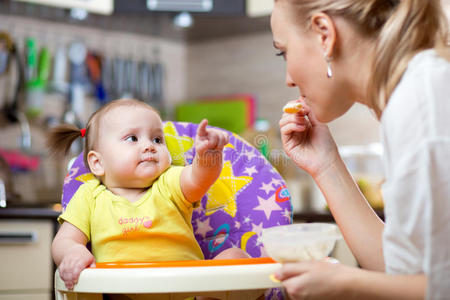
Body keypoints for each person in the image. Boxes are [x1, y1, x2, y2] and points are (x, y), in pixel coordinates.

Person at [271, 0, 450, 299]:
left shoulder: (422, 101)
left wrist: (345, 283)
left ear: (324, 33)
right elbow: (405, 271)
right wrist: (326, 165)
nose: (288, 79)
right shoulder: (411, 94)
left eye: (284, 51)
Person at [47, 98, 248, 290]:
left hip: (187, 292)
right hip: (120, 294)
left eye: (157, 139)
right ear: (97, 162)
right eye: (132, 138)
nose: (150, 146)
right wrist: (73, 252)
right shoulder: (89, 196)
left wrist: (208, 158)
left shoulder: (168, 182)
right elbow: (64, 240)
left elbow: (198, 179)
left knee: (235, 257)